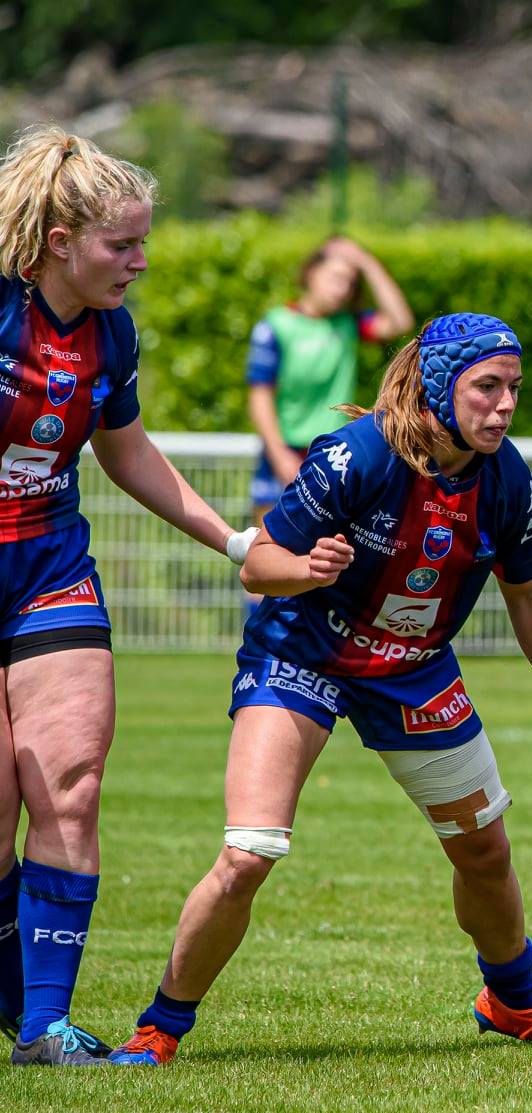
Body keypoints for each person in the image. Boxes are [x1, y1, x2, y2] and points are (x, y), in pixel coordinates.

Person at [109, 313, 532, 1066]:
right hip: (303, 654)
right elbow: (258, 564)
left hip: (414, 670)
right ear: (440, 386)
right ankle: (158, 1029)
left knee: (485, 854)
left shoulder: (505, 479)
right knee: (250, 849)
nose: (504, 406)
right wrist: (306, 569)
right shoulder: (356, 456)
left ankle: (512, 1000)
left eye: (513, 389)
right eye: (486, 387)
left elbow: (529, 597)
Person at [0, 126, 256, 1066]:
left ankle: (44, 1026)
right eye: (123, 245)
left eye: (144, 242)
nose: (140, 263)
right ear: (59, 240)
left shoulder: (109, 329)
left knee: (70, 777)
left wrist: (235, 541)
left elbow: (127, 451)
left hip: (49, 566)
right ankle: (13, 987)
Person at [246, 236, 413, 520]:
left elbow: (400, 322)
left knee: (325, 553)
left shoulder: (349, 324)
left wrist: (367, 262)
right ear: (312, 273)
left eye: (350, 282)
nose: (343, 288)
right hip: (284, 450)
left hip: (333, 452)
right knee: (265, 548)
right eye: (336, 277)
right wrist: (278, 454)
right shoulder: (276, 325)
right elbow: (260, 395)